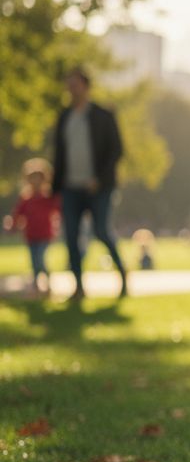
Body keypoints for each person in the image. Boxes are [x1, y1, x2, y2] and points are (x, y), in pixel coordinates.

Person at [51, 67, 129, 300]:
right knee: (71, 236)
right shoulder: (65, 117)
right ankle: (78, 287)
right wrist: (56, 186)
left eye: (75, 85)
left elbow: (116, 150)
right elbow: (59, 153)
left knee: (102, 231)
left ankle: (123, 274)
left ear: (86, 87)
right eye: (69, 85)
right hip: (70, 187)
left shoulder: (103, 115)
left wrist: (100, 179)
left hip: (99, 187)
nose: (71, 90)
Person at [7, 158, 62, 296]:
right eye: (32, 179)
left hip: (45, 234)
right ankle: (37, 285)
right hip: (31, 235)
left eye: (38, 178)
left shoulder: (48, 198)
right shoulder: (26, 199)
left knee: (39, 259)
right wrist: (12, 226)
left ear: (44, 180)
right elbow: (17, 214)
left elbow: (59, 210)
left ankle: (47, 281)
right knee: (34, 261)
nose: (35, 182)